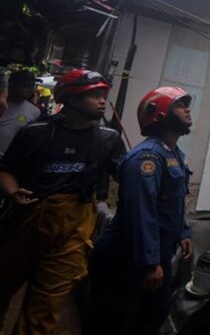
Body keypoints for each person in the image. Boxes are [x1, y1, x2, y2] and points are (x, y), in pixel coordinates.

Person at [0, 69, 125, 335]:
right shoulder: (35, 132)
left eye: (103, 95)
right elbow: (6, 169)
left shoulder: (109, 139)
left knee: (43, 312)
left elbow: (125, 174)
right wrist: (12, 192)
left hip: (73, 231)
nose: (102, 101)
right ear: (71, 98)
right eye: (94, 95)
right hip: (25, 222)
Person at [85, 86, 194, 335]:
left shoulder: (173, 153)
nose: (187, 110)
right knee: (112, 322)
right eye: (179, 105)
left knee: (151, 315)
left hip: (156, 253)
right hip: (126, 257)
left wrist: (184, 231)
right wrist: (149, 261)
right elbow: (141, 212)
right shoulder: (147, 158)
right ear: (159, 114)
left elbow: (173, 201)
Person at [0, 70, 41, 157]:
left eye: (32, 85)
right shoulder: (2, 103)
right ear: (13, 85)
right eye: (26, 85)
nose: (30, 89)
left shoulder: (35, 111)